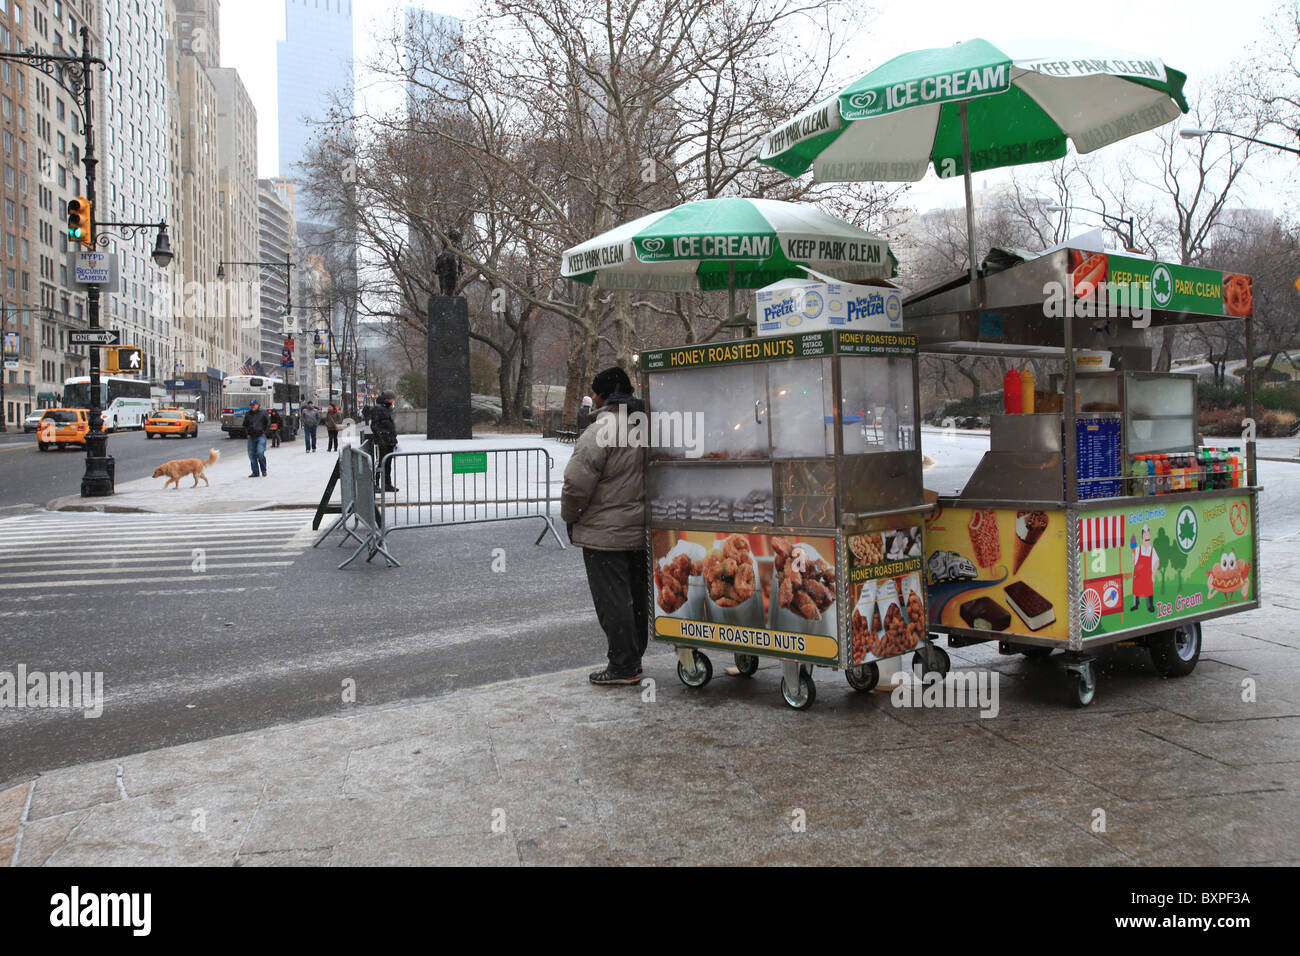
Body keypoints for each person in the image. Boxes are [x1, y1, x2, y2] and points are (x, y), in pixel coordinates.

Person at [562, 366, 648, 686]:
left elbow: (575, 482)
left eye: (595, 391)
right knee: (636, 599)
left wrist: (571, 516)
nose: (592, 397)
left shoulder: (603, 428)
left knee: (612, 600)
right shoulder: (646, 423)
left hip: (605, 532)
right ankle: (634, 658)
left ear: (605, 394)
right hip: (640, 529)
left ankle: (623, 665)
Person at [370, 391, 399, 492]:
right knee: (380, 463)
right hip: (383, 440)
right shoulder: (378, 409)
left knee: (387, 463)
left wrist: (393, 438)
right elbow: (374, 425)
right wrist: (380, 439)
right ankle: (375, 484)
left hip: (389, 440)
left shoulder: (388, 409)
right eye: (392, 398)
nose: (393, 400)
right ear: (387, 399)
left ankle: (387, 483)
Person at [242, 399, 270, 477]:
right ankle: (255, 472)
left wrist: (265, 432)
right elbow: (245, 425)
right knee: (251, 455)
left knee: (260, 452)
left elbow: (268, 423)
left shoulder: (263, 413)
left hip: (261, 435)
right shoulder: (248, 414)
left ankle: (263, 470)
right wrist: (247, 433)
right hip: (251, 436)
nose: (252, 406)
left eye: (254, 405)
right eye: (251, 405)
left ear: (258, 405)